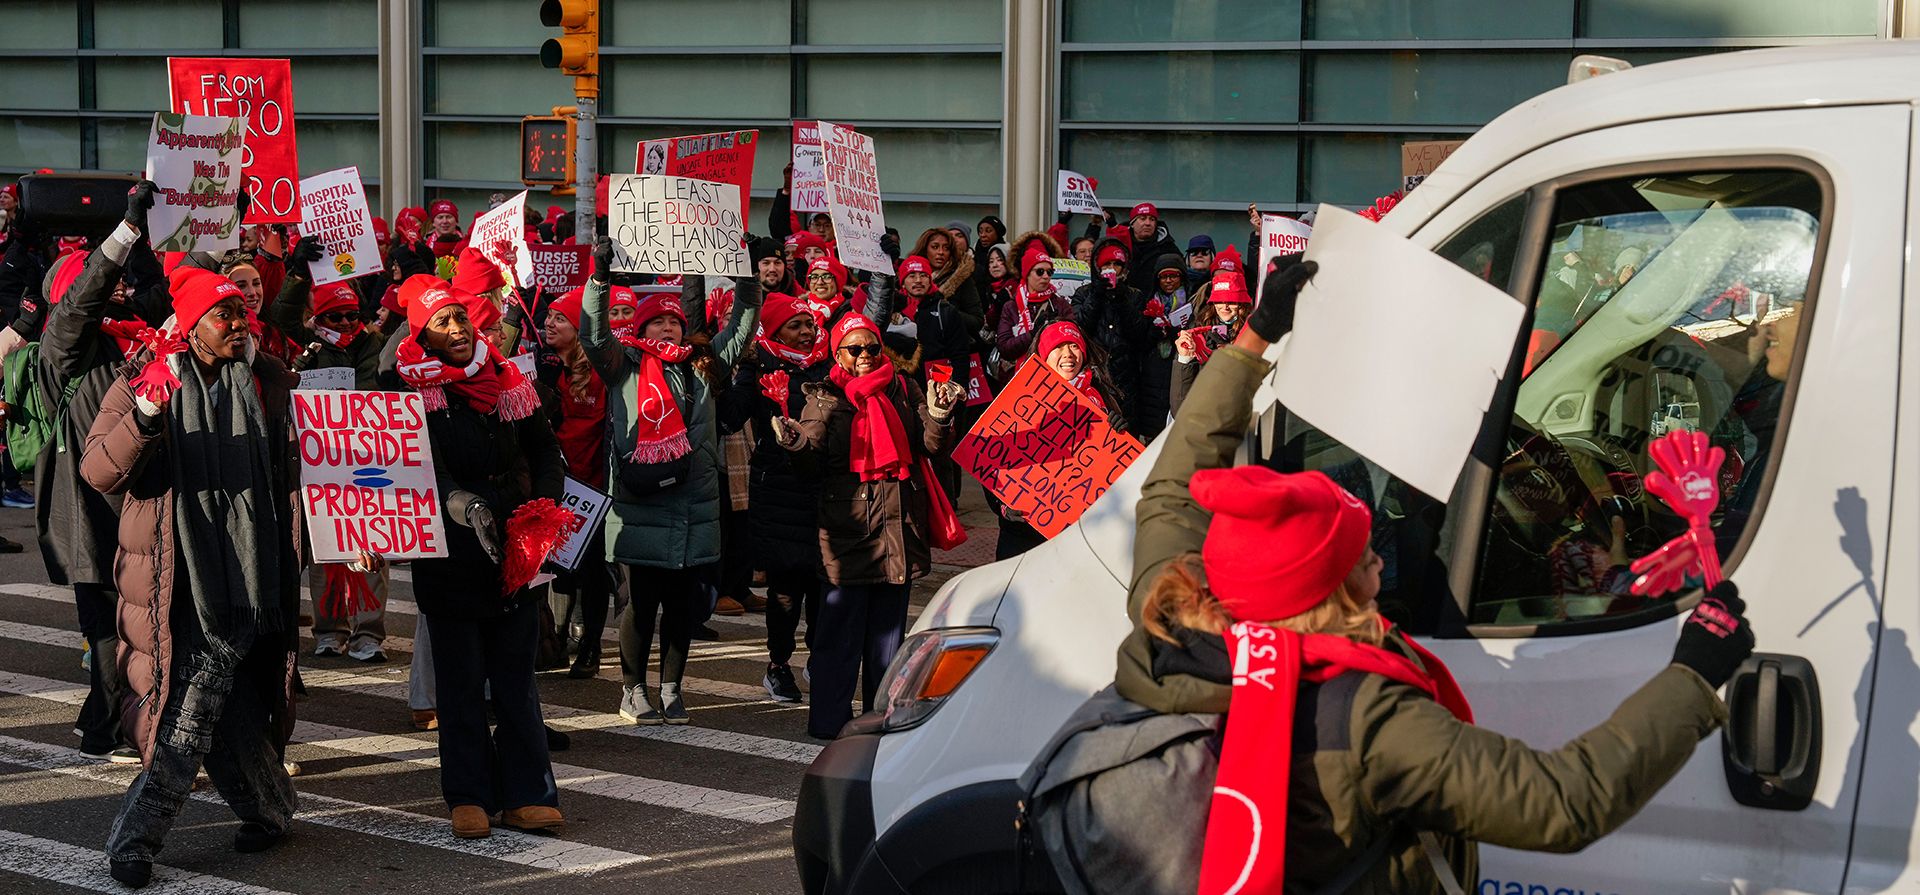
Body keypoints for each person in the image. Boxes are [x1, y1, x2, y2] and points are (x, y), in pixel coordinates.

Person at [1022, 262, 1753, 893]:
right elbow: (1564, 801)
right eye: (1364, 559)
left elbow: (1176, 482)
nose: (1382, 564)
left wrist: (1255, 337)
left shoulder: (1170, 613)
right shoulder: (1363, 716)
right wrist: (1692, 676)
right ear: (1328, 594)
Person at [82, 266, 305, 888]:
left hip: (256, 578)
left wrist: (355, 535)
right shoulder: (142, 379)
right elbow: (98, 470)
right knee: (192, 709)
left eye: (243, 313)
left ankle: (270, 808)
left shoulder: (270, 382)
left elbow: (311, 472)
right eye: (223, 316)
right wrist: (148, 414)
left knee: (223, 701)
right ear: (191, 327)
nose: (239, 325)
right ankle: (135, 842)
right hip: (180, 582)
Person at [391, 273, 565, 839]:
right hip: (448, 550)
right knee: (462, 684)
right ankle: (468, 795)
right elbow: (409, 466)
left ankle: (528, 794)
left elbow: (543, 448)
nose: (458, 329)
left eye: (461, 317)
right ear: (422, 336)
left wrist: (544, 508)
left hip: (514, 544)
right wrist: (455, 502)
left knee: (516, 682)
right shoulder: (409, 387)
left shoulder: (509, 377)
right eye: (441, 322)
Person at [581, 237, 760, 726]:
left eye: (673, 320)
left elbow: (742, 328)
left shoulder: (704, 366)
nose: (666, 326)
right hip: (640, 503)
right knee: (640, 603)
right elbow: (594, 335)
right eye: (656, 320)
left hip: (694, 502)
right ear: (641, 327)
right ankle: (633, 689)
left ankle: (673, 687)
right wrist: (600, 279)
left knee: (683, 607)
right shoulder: (624, 366)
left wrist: (746, 274)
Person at [769, 314, 966, 738]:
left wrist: (939, 414)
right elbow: (812, 461)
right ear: (837, 353)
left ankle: (881, 721)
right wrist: (795, 442)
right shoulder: (824, 397)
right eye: (853, 349)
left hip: (897, 528)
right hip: (847, 530)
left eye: (871, 348)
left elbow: (930, 447)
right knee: (838, 641)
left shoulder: (905, 386)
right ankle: (828, 725)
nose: (864, 356)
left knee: (887, 646)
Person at [31, 191, 172, 766]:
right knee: (110, 626)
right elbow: (82, 300)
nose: (116, 286)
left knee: (142, 620)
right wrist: (125, 231)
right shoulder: (63, 345)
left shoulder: (134, 338)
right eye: (98, 279)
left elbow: (179, 291)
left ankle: (102, 723)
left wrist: (209, 229)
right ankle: (110, 731)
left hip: (141, 506)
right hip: (90, 513)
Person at [271, 259, 392, 662]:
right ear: (315, 318)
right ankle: (329, 630)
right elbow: (281, 312)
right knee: (327, 549)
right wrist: (299, 274)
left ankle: (368, 632)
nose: (344, 323)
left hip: (368, 460)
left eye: (351, 315)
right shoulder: (306, 346)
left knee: (371, 546)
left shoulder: (373, 345)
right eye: (334, 316)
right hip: (320, 463)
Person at [721, 293, 831, 702]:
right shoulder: (758, 365)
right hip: (777, 490)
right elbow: (731, 416)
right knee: (786, 588)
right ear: (774, 329)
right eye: (794, 326)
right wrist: (737, 375)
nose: (805, 333)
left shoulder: (827, 365)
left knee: (823, 582)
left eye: (808, 324)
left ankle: (819, 658)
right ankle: (778, 665)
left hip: (820, 488)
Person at [993, 320, 1129, 559]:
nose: (1068, 354)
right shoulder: (1018, 401)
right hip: (1025, 536)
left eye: (1074, 346)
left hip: (1083, 537)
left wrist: (1119, 434)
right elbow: (991, 464)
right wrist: (1003, 507)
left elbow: (1118, 475)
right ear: (1044, 355)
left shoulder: (1101, 399)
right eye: (1058, 347)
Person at [1072, 238, 1163, 441]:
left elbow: (1139, 335)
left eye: (1117, 264)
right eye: (1107, 264)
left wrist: (1122, 300)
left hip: (1127, 381)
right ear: (1097, 267)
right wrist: (1096, 295)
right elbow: (1080, 327)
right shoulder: (1083, 294)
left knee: (1124, 437)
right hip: (1094, 377)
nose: (1112, 269)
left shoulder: (1134, 295)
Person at [1169, 268, 1254, 416]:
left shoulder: (1252, 334)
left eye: (1232, 301)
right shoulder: (1197, 331)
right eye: (1220, 300)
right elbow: (1180, 408)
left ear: (1243, 303)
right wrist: (1184, 359)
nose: (1225, 307)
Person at [993, 244, 1073, 374]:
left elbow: (1072, 341)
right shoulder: (1012, 306)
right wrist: (1032, 334)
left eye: (1049, 272)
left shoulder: (1060, 303)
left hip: (1053, 374)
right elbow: (1004, 347)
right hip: (1018, 375)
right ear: (1027, 274)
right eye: (1040, 271)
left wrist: (1055, 329)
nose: (1046, 276)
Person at [1121, 203, 1179, 294]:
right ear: (1132, 224)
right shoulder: (1121, 246)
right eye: (1142, 218)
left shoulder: (1168, 248)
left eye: (1152, 219)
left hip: (1157, 304)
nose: (1148, 223)